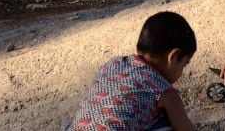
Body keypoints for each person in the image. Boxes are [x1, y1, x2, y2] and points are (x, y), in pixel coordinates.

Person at [64, 11, 197, 131]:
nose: (182, 71)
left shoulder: (113, 63)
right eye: (185, 64)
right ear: (173, 57)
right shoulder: (163, 91)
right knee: (166, 121)